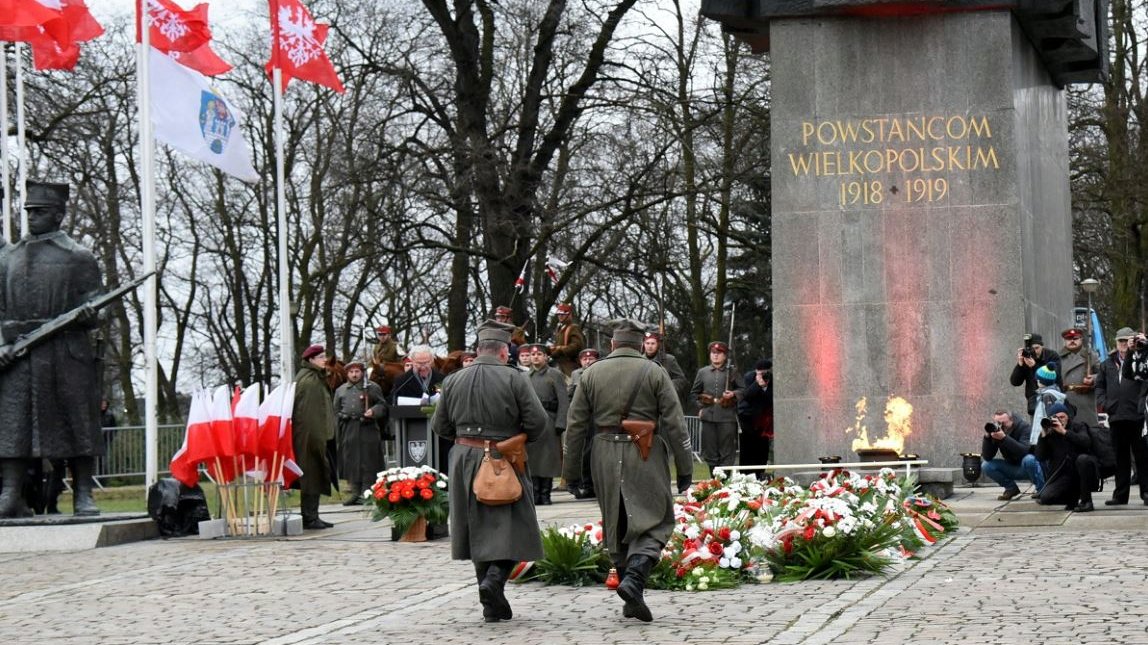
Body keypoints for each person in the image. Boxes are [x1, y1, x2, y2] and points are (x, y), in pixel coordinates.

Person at [564, 318, 693, 623]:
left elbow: (576, 426)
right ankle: (634, 578)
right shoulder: (655, 372)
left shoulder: (591, 373)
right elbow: (675, 422)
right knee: (657, 519)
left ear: (612, 344)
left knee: (616, 520)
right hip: (644, 451)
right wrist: (685, 466)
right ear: (640, 345)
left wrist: (570, 471)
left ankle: (631, 595)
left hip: (603, 452)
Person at [430, 320, 549, 623]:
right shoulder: (515, 379)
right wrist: (515, 437)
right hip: (503, 456)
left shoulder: (453, 380)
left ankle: (491, 603)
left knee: (475, 528)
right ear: (502, 352)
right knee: (518, 524)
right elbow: (537, 422)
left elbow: (439, 426)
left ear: (480, 349)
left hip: (463, 459)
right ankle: (495, 580)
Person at [0, 181, 103, 518]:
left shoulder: (78, 257)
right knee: (14, 425)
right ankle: (11, 494)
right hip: (19, 352)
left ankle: (83, 494)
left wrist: (89, 314)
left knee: (78, 424)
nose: (33, 217)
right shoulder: (9, 257)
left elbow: (95, 306)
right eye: (29, 211)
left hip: (65, 352)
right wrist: (2, 343)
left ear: (58, 215)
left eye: (40, 211)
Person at [1096, 327, 1148, 505]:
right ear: (1116, 343)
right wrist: (1105, 403)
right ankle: (1120, 494)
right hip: (1116, 415)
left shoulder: (1140, 359)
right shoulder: (1107, 363)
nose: (1124, 345)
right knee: (1120, 457)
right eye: (1121, 341)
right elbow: (1100, 386)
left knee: (1142, 456)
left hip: (1137, 415)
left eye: (1127, 341)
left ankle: (1146, 492)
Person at [1035, 403, 1114, 512]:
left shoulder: (1078, 426)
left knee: (1083, 459)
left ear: (1068, 416)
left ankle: (1087, 502)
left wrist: (1064, 432)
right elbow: (1040, 457)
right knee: (1046, 498)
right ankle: (1072, 498)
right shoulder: (1050, 434)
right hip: (1065, 476)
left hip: (1083, 471)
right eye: (1055, 417)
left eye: (1062, 417)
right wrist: (1043, 436)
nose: (1059, 420)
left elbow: (1086, 442)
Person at [293, 344, 336, 529]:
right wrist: (318, 439)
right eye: (320, 357)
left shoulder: (315, 378)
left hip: (316, 435)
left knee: (314, 474)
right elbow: (310, 414)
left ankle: (312, 515)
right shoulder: (310, 381)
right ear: (311, 360)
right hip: (311, 437)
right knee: (311, 474)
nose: (324, 360)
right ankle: (309, 517)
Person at [333, 361, 387, 505]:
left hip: (367, 427)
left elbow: (382, 405)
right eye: (351, 372)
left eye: (357, 371)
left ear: (362, 372)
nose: (354, 374)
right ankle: (355, 492)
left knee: (368, 460)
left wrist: (373, 411)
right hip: (348, 427)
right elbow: (335, 411)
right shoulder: (341, 390)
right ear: (347, 374)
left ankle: (366, 492)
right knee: (351, 460)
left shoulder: (372, 387)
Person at [690, 341, 744, 477]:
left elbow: (743, 390)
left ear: (725, 356)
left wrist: (733, 394)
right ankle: (714, 480)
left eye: (719, 353)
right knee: (710, 451)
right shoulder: (703, 372)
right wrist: (700, 408)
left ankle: (725, 482)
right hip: (708, 416)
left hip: (726, 416)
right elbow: (693, 394)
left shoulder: (732, 371)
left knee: (727, 452)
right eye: (713, 353)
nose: (715, 356)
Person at [523, 344, 568, 505]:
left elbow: (563, 400)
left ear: (546, 357)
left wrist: (561, 422)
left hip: (550, 419)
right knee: (532, 460)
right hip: (531, 422)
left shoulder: (554, 374)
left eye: (539, 354)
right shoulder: (525, 377)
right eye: (533, 354)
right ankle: (535, 494)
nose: (535, 357)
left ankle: (545, 493)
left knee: (548, 460)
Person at [980, 410, 1043, 500]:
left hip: (1030, 467)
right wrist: (987, 438)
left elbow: (1024, 451)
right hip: (1012, 467)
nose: (1001, 425)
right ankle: (1011, 489)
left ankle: (1041, 490)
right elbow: (987, 456)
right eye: (998, 423)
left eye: (1004, 423)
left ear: (1011, 420)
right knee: (986, 465)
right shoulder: (998, 431)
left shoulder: (1024, 427)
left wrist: (1004, 438)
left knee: (1029, 459)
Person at [567, 348, 599, 499]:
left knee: (596, 450)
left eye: (591, 359)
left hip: (597, 416)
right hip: (581, 416)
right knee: (582, 451)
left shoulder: (601, 372)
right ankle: (582, 483)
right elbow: (570, 394)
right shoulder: (576, 374)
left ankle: (594, 484)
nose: (588, 361)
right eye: (585, 359)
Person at [1009, 333, 1061, 418]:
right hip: (1035, 402)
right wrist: (1020, 365)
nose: (1034, 351)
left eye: (1037, 348)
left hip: (1053, 400)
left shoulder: (1052, 356)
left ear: (1042, 347)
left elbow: (1055, 377)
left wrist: (1034, 366)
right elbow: (1015, 382)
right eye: (1032, 349)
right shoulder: (1027, 357)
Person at [1057, 328, 1099, 429]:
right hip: (1065, 400)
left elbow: (1102, 374)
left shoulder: (1091, 356)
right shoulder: (1058, 357)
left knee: (1088, 434)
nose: (1072, 341)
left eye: (1075, 338)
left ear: (1081, 339)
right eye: (1069, 339)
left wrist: (1092, 378)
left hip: (1085, 401)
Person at [737, 359, 773, 469]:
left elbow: (770, 400)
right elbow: (746, 396)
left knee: (762, 451)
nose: (763, 375)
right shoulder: (749, 377)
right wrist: (757, 384)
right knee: (747, 451)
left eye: (765, 373)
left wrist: (765, 387)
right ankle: (746, 475)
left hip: (763, 421)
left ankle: (760, 473)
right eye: (760, 373)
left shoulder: (772, 380)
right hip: (748, 419)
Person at [641, 331, 689, 401]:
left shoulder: (669, 360)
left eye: (653, 343)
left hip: (665, 400)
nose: (650, 346)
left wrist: (668, 387)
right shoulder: (639, 360)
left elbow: (681, 379)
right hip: (644, 400)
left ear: (658, 344)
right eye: (647, 343)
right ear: (644, 344)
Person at [548, 302, 584, 377]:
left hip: (569, 365)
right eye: (559, 314)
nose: (560, 316)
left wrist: (560, 349)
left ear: (569, 315)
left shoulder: (573, 328)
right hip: (558, 364)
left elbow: (576, 346)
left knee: (570, 384)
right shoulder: (559, 328)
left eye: (563, 314)